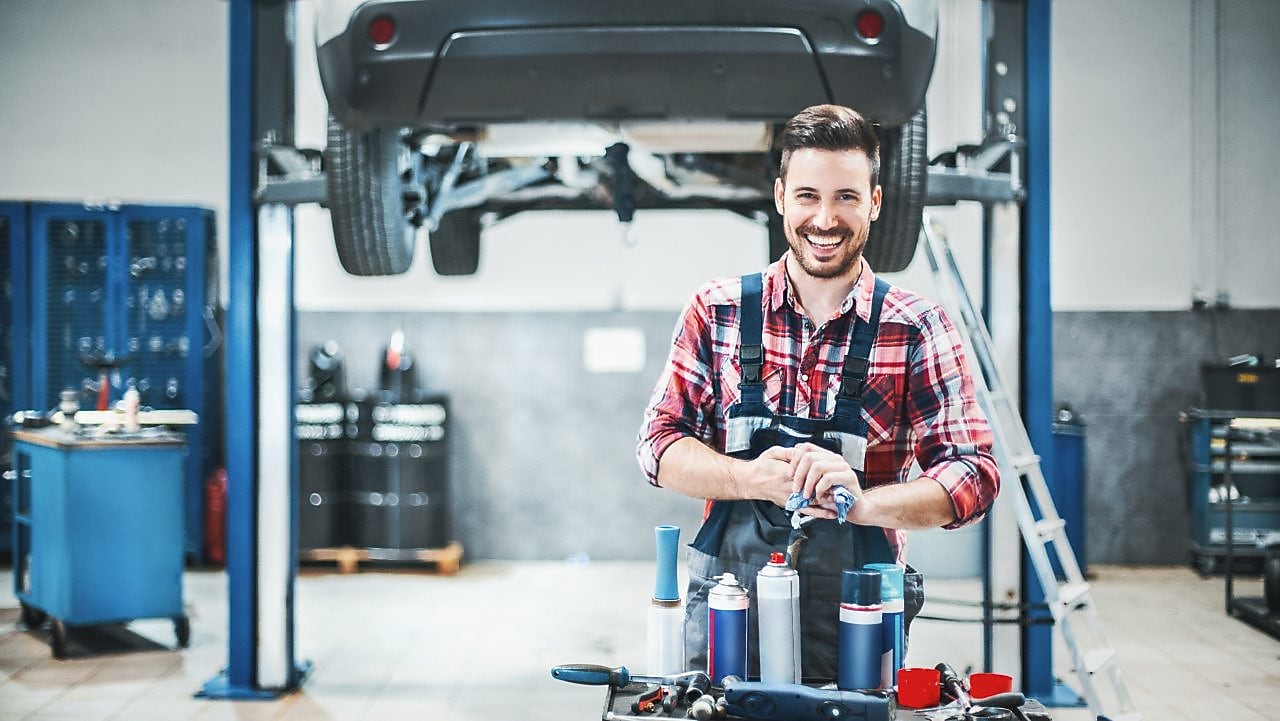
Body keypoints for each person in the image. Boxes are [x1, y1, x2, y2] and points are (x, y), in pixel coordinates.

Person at [636, 104, 1000, 680]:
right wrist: (752, 478)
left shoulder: (917, 327)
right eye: (808, 196)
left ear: (876, 203)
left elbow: (975, 476)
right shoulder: (719, 310)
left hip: (861, 619)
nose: (825, 219)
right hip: (731, 616)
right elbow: (657, 447)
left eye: (847, 197)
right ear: (781, 196)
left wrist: (861, 503)